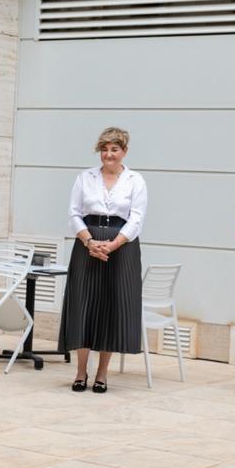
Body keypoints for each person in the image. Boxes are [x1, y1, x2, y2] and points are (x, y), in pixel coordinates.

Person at [58, 127, 147, 394]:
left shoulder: (135, 180)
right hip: (87, 244)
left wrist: (114, 244)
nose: (109, 154)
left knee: (111, 307)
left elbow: (137, 218)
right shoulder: (84, 178)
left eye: (114, 149)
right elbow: (74, 214)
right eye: (105, 149)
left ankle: (102, 373)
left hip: (122, 248)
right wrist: (89, 241)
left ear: (124, 152)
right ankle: (80, 371)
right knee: (83, 304)